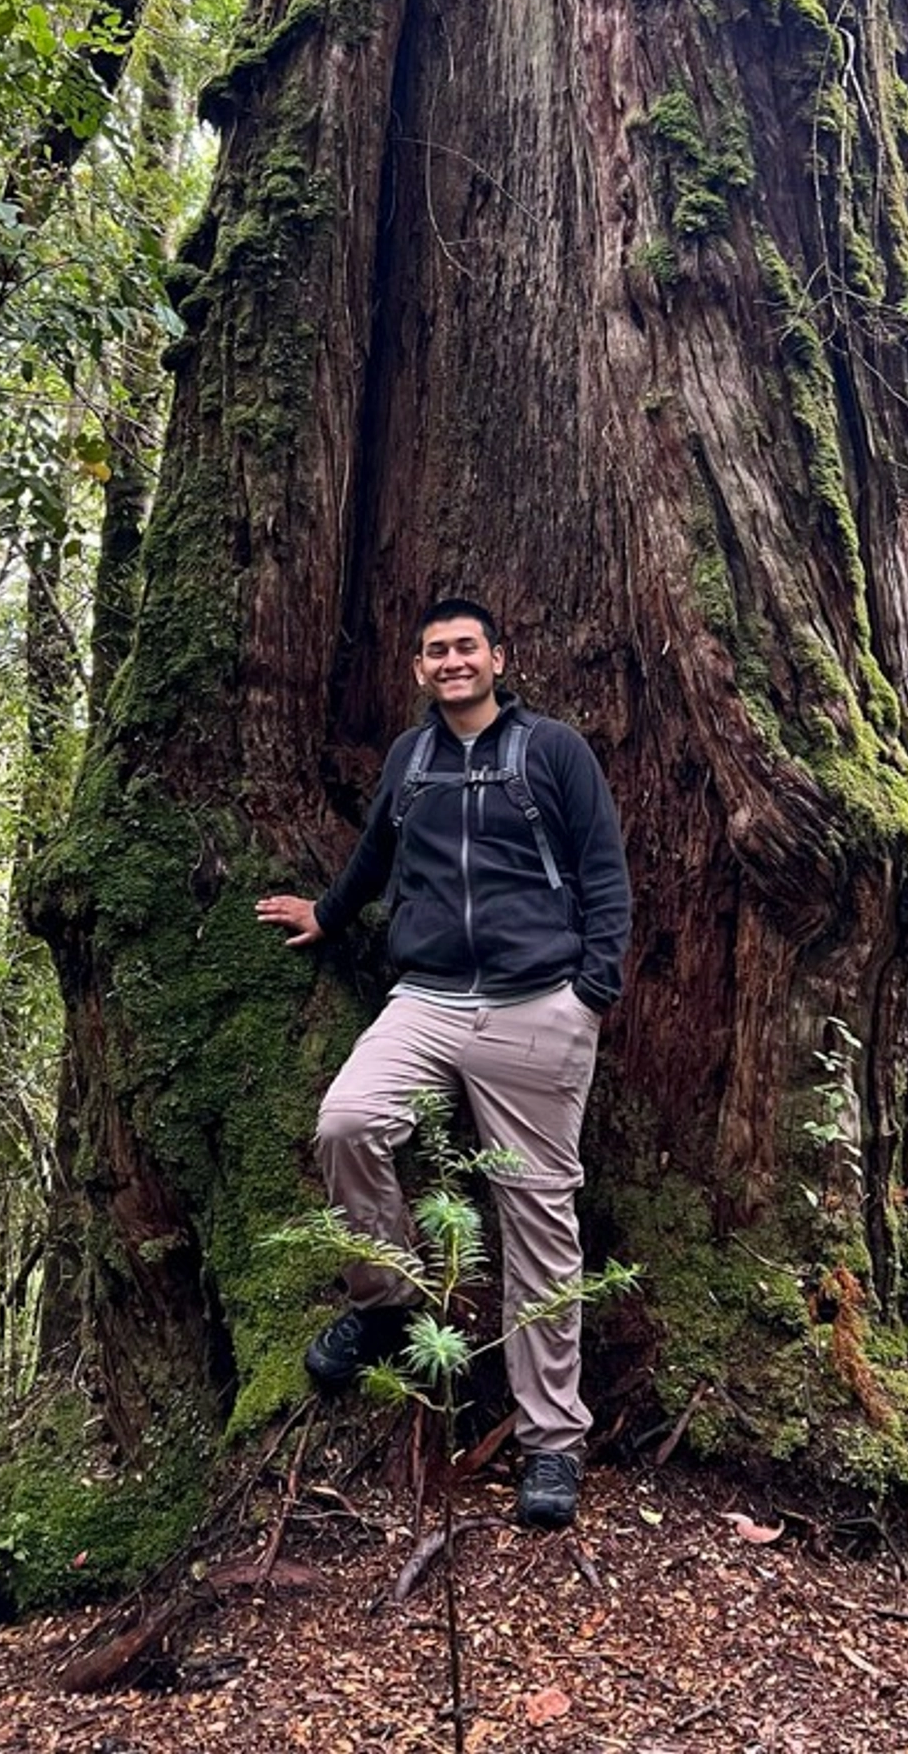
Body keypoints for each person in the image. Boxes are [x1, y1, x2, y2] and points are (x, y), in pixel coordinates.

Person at [256, 596, 632, 1531]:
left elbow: (605, 870)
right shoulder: (411, 758)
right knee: (348, 1120)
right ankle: (385, 1298)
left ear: (499, 657)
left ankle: (551, 1439)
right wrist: (328, 915)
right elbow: (376, 853)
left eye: (467, 646)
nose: (453, 661)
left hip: (536, 1004)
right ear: (419, 668)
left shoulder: (552, 751)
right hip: (426, 997)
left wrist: (590, 992)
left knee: (538, 1216)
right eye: (436, 650)